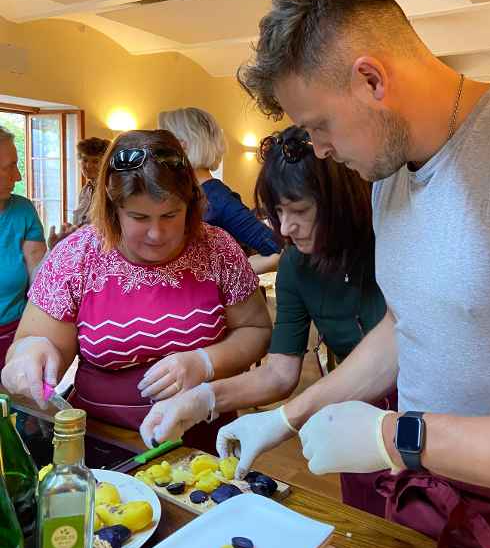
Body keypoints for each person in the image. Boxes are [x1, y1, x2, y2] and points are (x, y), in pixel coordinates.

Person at [234, 0, 490, 548]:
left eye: (319, 125)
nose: (322, 151)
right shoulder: (388, 180)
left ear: (371, 79)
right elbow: (404, 328)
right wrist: (288, 416)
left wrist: (400, 437)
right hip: (430, 499)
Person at [140, 127, 390, 518]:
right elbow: (279, 373)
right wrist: (203, 398)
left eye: (300, 211)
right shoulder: (295, 265)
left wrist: (284, 419)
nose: (285, 228)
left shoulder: (391, 244)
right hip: (350, 411)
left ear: (341, 202)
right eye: (277, 213)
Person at [1, 130, 271, 452]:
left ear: (192, 204)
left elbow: (255, 329)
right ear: (114, 210)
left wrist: (206, 362)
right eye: (139, 217)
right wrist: (31, 353)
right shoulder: (77, 255)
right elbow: (37, 344)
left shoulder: (217, 249)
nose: (157, 233)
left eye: (171, 215)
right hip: (103, 439)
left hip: (201, 439)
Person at [158, 107, 281, 274]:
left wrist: (224, 277)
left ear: (182, 147)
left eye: (160, 147)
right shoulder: (181, 196)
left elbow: (278, 250)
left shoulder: (218, 198)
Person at [0, 126, 46, 368]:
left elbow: (39, 280)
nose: (17, 177)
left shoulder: (23, 210)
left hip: (15, 337)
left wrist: (55, 261)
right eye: (8, 167)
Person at [48, 136, 111, 249]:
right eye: (85, 160)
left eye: (95, 161)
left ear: (105, 163)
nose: (88, 166)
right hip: (82, 245)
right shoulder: (86, 189)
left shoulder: (110, 190)